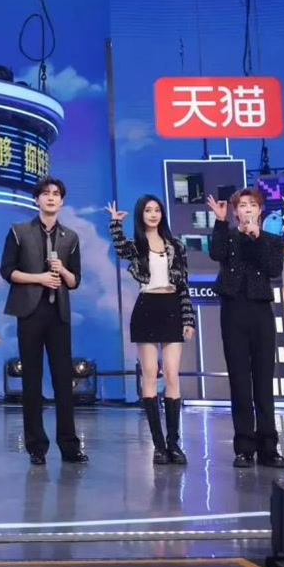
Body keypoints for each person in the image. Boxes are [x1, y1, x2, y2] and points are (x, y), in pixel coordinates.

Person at [0, 177, 88, 465]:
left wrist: (62, 271)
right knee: (32, 380)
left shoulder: (70, 237)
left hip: (58, 314)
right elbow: (7, 271)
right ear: (37, 199)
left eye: (56, 194)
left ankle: (69, 445)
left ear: (62, 201)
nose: (51, 198)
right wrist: (39, 278)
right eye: (46, 193)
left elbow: (75, 281)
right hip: (30, 312)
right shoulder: (19, 232)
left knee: (63, 380)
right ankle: (36, 447)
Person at [107, 196, 195, 466]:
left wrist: (188, 319)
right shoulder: (136, 245)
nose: (153, 214)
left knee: (171, 374)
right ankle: (158, 445)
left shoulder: (176, 245)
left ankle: (174, 443)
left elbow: (184, 286)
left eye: (157, 210)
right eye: (148, 210)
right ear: (141, 214)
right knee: (149, 374)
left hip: (172, 308)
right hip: (146, 307)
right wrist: (115, 224)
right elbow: (120, 250)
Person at [207, 189, 284, 469]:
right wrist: (220, 223)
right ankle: (244, 447)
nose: (248, 209)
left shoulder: (271, 240)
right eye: (242, 205)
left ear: (260, 210)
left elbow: (273, 269)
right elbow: (216, 253)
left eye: (253, 205)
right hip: (233, 311)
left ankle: (269, 447)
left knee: (264, 382)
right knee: (240, 382)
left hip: (261, 312)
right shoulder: (228, 236)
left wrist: (257, 237)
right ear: (235, 211)